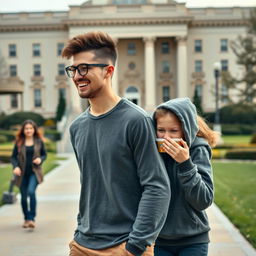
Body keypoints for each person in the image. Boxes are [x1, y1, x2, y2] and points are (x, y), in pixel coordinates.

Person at [62, 31, 170, 256]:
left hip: (124, 245)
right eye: (73, 69)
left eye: (85, 68)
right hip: (83, 243)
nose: (77, 76)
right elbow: (92, 184)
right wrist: (81, 228)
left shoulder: (136, 121)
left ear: (108, 71)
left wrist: (135, 246)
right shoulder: (77, 127)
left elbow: (157, 187)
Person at [152, 97, 218, 256]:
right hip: (158, 240)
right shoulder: (152, 150)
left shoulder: (198, 150)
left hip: (193, 240)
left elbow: (203, 200)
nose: (166, 137)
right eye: (161, 130)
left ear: (186, 129)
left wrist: (185, 163)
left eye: (173, 131)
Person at [11, 119, 47, 229]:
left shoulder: (39, 141)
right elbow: (13, 157)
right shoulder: (19, 142)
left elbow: (44, 155)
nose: (28, 130)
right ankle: (26, 218)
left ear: (34, 129)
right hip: (21, 174)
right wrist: (15, 166)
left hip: (34, 173)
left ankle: (31, 218)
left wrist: (40, 160)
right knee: (23, 197)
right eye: (26, 128)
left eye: (30, 128)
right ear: (23, 130)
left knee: (31, 192)